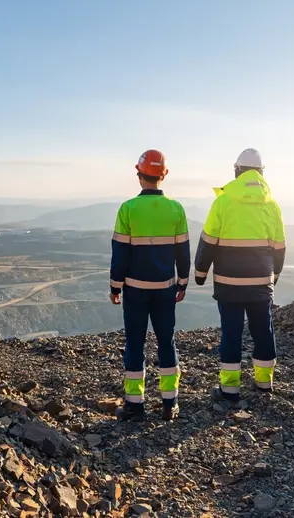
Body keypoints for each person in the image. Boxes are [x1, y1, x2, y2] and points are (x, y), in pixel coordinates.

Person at [193, 148, 285, 404]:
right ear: (261, 173)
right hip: (260, 284)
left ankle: (230, 389)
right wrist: (272, 278)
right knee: (263, 330)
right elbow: (280, 248)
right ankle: (264, 382)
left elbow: (208, 242)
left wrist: (200, 274)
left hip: (229, 285)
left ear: (237, 171)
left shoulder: (223, 202)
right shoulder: (272, 205)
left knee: (231, 333)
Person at [109, 149, 190, 421]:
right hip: (165, 289)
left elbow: (120, 251)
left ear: (138, 174)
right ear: (163, 175)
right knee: (166, 341)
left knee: (135, 343)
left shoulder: (128, 209)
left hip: (135, 290)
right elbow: (183, 252)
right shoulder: (176, 209)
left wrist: (115, 286)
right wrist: (183, 283)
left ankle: (135, 405)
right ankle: (170, 404)